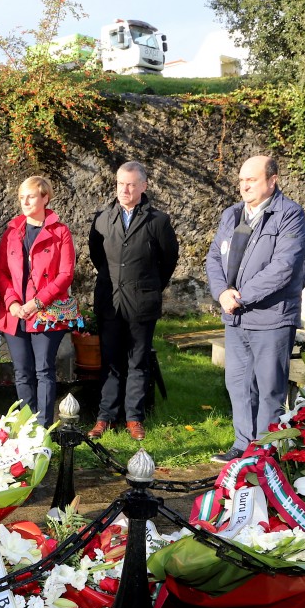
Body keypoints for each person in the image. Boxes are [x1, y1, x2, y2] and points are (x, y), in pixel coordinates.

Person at [206, 155, 305, 462]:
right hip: (235, 315)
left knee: (269, 387)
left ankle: (265, 450)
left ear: (272, 180)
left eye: (251, 180)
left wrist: (241, 296)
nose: (244, 186)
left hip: (272, 317)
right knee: (238, 383)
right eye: (241, 180)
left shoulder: (289, 214)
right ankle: (242, 444)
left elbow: (284, 267)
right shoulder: (232, 214)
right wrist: (222, 293)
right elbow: (214, 257)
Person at [88, 161, 179, 441]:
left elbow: (168, 260)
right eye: (120, 184)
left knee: (138, 361)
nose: (124, 190)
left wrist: (148, 285)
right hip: (110, 301)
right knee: (110, 361)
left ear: (143, 186)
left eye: (130, 184)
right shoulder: (102, 219)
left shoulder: (158, 221)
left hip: (142, 302)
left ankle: (134, 417)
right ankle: (105, 416)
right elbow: (97, 256)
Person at [0, 176, 75, 428]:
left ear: (45, 198)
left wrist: (37, 303)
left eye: (31, 196)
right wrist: (12, 303)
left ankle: (43, 429)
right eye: (21, 197)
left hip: (45, 311)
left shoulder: (60, 232)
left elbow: (65, 274)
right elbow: (0, 272)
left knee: (44, 371)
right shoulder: (12, 232)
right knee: (22, 372)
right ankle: (27, 428)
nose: (25, 202)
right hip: (15, 312)